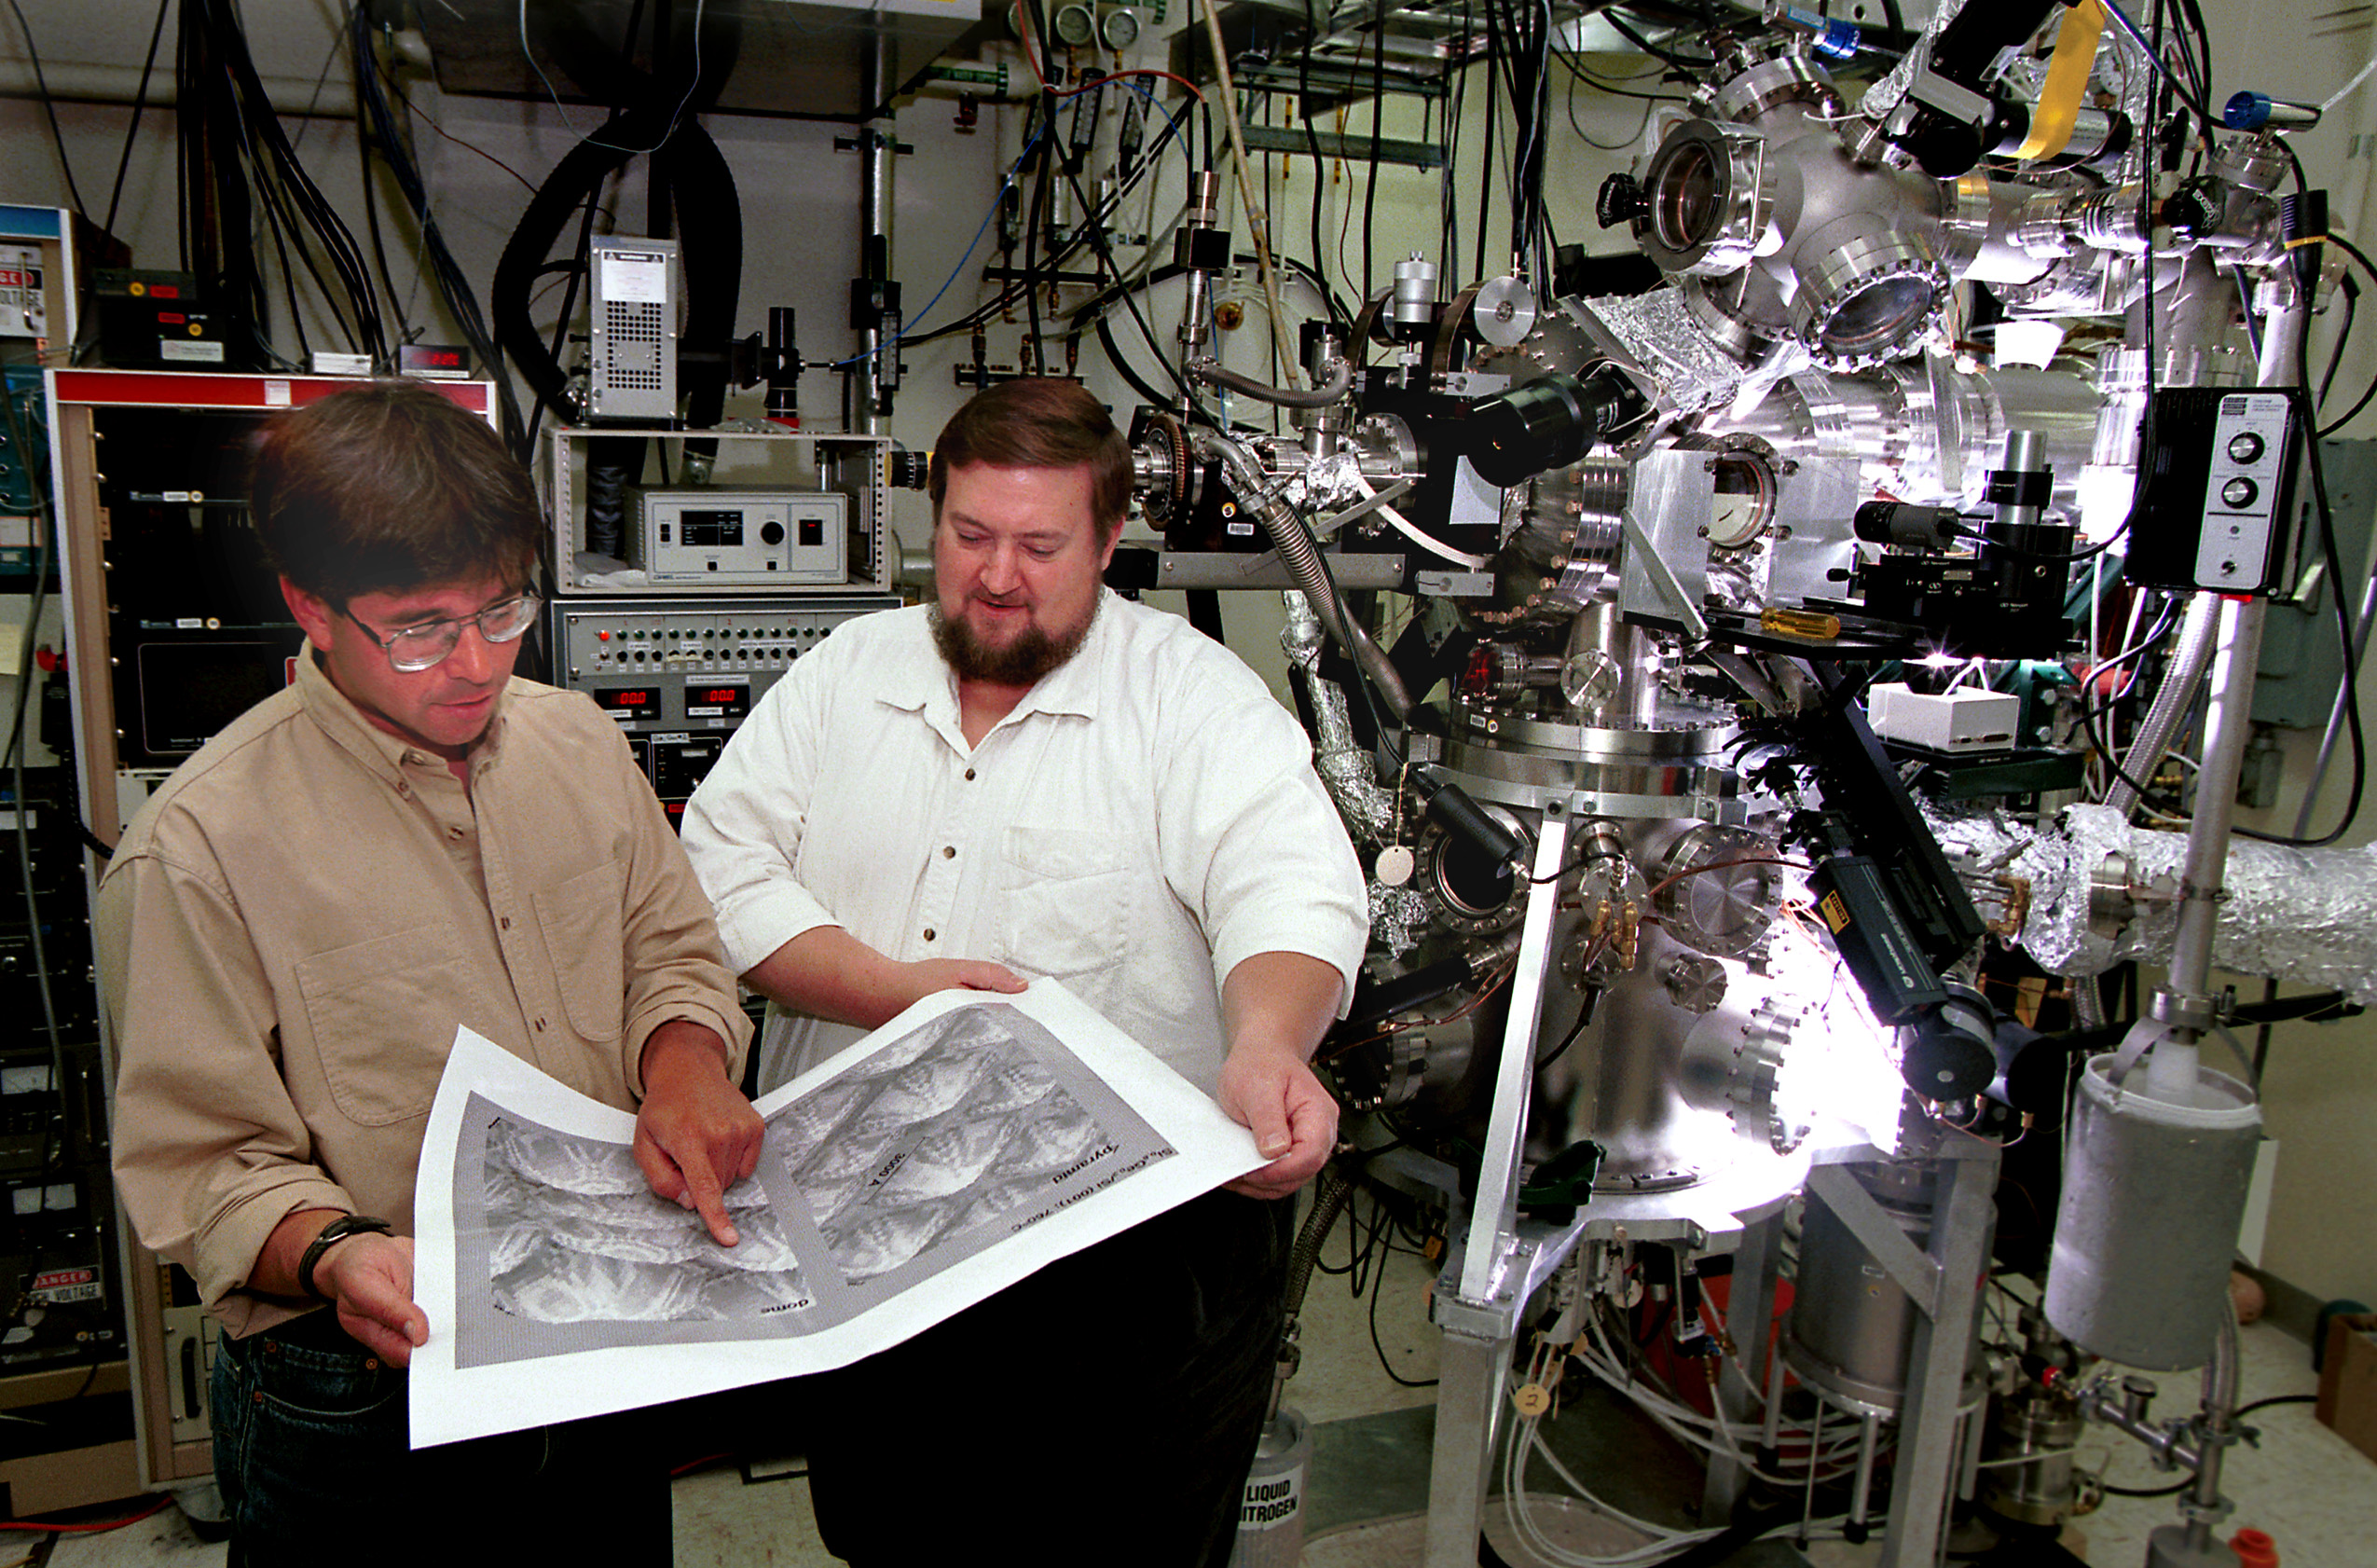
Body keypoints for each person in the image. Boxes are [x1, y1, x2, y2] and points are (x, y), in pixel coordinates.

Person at [679, 377, 1369, 1566]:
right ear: (930, 520)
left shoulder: (1191, 698)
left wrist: (1266, 1042)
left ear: (1107, 541)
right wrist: (896, 990)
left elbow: (1290, 885)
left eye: (1042, 545)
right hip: (875, 1223)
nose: (998, 575)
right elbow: (720, 867)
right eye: (969, 535)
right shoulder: (848, 673)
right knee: (894, 1533)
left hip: (1130, 1261)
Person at [102, 380, 761, 1565]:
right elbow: (202, 1162)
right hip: (362, 1392)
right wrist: (335, 1248)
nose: (474, 661)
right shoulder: (199, 847)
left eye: (503, 607)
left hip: (602, 1324)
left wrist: (686, 1063)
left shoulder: (579, 744)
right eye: (419, 626)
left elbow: (671, 952)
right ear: (309, 603)